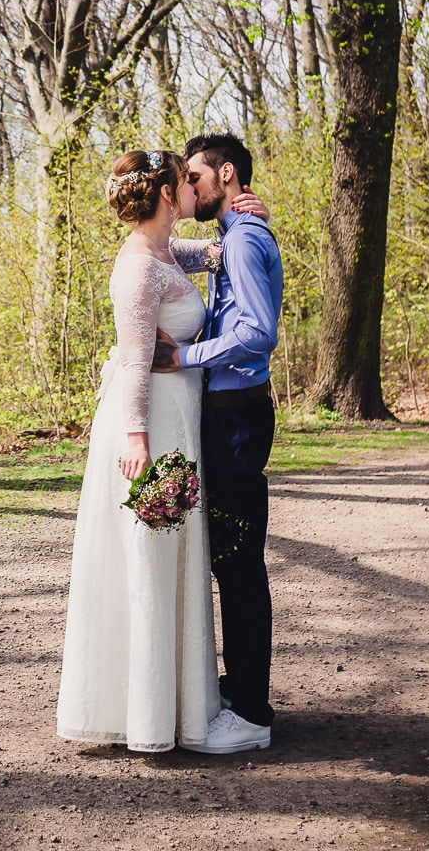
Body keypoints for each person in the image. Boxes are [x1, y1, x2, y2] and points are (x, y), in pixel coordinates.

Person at [56, 148, 272, 755]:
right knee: (153, 558)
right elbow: (133, 361)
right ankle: (153, 713)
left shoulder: (160, 252)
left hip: (181, 419)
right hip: (151, 424)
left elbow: (208, 254)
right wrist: (135, 439)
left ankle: (184, 699)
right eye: (184, 181)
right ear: (164, 192)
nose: (190, 189)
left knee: (179, 557)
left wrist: (245, 220)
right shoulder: (135, 268)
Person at [153, 132, 283, 754]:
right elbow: (155, 253)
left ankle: (253, 714)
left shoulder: (248, 237)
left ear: (226, 174)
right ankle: (240, 690)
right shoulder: (232, 237)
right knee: (227, 560)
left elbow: (258, 333)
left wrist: (185, 355)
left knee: (238, 567)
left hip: (237, 421)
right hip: (224, 418)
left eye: (197, 179)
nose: (191, 189)